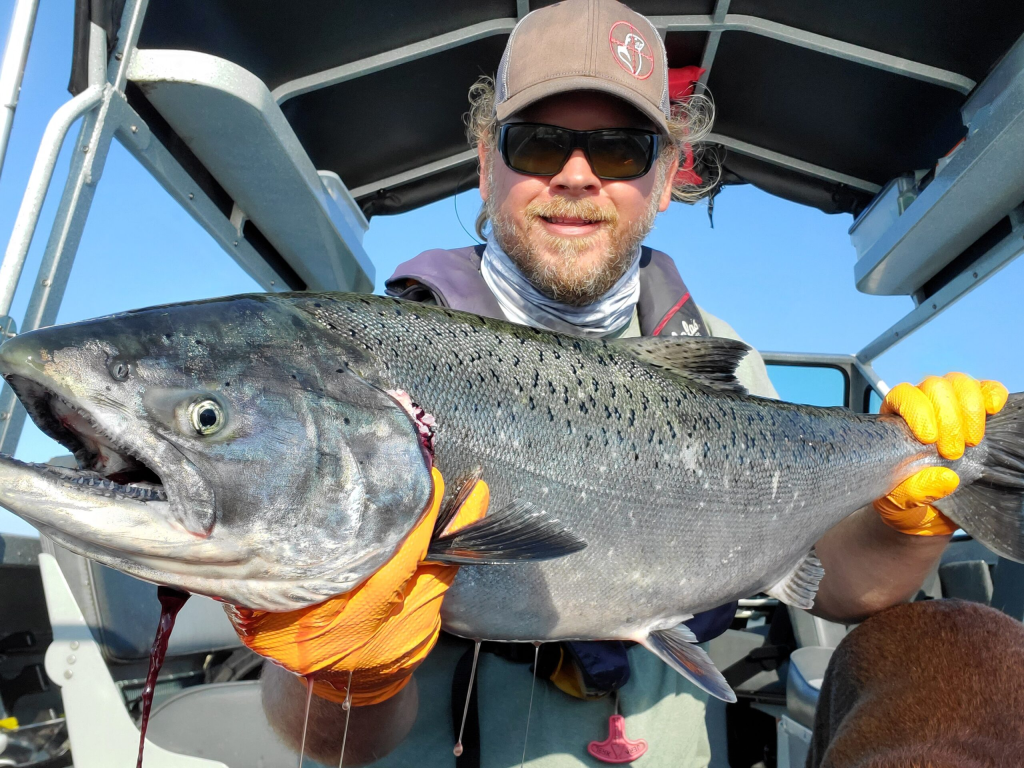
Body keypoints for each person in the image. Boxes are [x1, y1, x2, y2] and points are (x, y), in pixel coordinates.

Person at [254, 1, 1008, 765]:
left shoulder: (725, 359)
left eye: (619, 150)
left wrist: (912, 515)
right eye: (538, 143)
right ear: (487, 165)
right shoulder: (359, 383)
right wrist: (343, 674)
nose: (577, 176)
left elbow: (835, 585)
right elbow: (333, 743)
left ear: (663, 178)